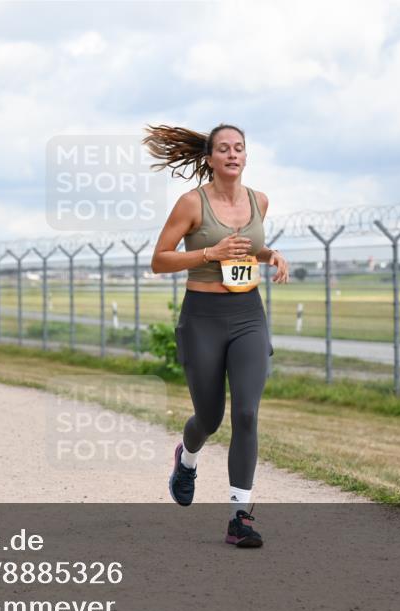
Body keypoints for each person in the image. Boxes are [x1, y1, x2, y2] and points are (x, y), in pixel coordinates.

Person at [146, 123, 290, 548]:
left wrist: (270, 254)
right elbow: (159, 259)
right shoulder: (192, 203)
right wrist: (209, 253)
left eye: (239, 148)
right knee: (209, 418)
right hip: (203, 317)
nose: (232, 154)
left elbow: (248, 248)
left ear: (246, 157)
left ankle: (239, 517)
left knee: (246, 414)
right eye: (223, 148)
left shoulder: (259, 200)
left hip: (248, 314)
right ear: (209, 158)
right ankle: (186, 459)